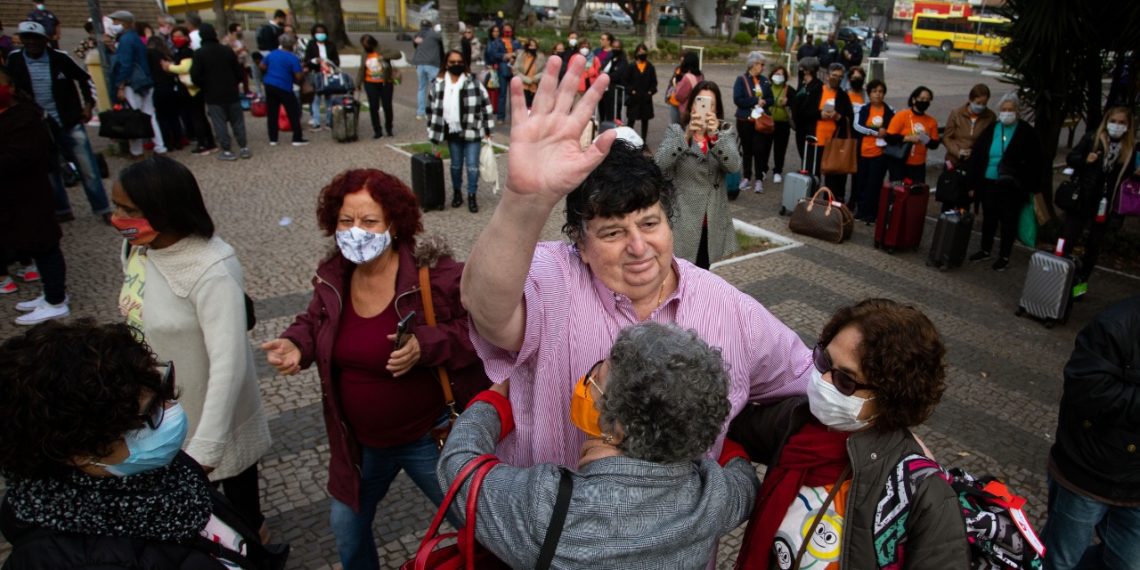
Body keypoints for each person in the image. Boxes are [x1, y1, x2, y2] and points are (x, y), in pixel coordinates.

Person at [460, 56, 813, 471]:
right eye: (612, 233)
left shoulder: (731, 309)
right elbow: (487, 309)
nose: (639, 247)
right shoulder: (551, 276)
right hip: (553, 511)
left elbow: (809, 381)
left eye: (650, 223)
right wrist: (524, 202)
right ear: (579, 242)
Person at [261, 168, 485, 570]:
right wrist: (297, 343)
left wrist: (424, 345)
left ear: (394, 224)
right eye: (346, 220)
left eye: (368, 221)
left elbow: (480, 331)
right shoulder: (334, 275)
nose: (355, 232)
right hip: (360, 446)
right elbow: (316, 320)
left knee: (477, 528)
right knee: (346, 528)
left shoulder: (433, 275)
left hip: (427, 437)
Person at [438, 322, 760, 568]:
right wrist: (711, 433)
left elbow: (459, 468)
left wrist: (493, 403)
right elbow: (744, 477)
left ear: (618, 427)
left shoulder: (548, 506)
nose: (586, 381)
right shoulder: (713, 498)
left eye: (597, 378)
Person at [0, 320, 282, 568]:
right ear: (77, 453)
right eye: (150, 413)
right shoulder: (83, 561)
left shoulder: (153, 471)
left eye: (163, 392)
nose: (171, 410)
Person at [729, 298, 968, 569]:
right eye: (824, 361)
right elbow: (729, 425)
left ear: (890, 397)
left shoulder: (924, 494)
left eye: (845, 380)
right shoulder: (796, 422)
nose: (823, 380)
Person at [108, 155, 272, 539]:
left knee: (238, 513)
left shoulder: (212, 267)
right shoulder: (137, 250)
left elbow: (229, 364)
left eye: (129, 210)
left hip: (211, 412)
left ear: (165, 208)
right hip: (163, 408)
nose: (117, 218)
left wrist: (206, 449)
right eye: (116, 207)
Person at [1043, 295, 1140, 570]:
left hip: (1136, 486)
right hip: (1086, 476)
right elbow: (1086, 390)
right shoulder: (1114, 324)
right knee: (1059, 561)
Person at [8, 20, 112, 223]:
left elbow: (84, 79)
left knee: (88, 167)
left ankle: (102, 207)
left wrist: (88, 105)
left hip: (68, 120)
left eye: (36, 38)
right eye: (27, 38)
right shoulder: (15, 60)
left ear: (45, 40)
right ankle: (62, 209)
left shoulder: (60, 58)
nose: (31, 43)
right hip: (38, 124)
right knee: (51, 170)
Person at [0, 65, 69, 325]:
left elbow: (21, 157)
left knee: (45, 244)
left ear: (11, 87)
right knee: (37, 246)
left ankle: (56, 300)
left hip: (30, 194)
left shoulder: (25, 117)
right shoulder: (13, 115)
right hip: (15, 196)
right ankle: (51, 293)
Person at [657, 81, 742, 267]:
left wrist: (714, 137)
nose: (705, 108)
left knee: (702, 272)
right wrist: (686, 136)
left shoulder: (724, 134)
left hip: (711, 221)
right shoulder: (676, 131)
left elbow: (734, 166)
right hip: (682, 220)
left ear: (716, 109)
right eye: (700, 101)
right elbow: (659, 164)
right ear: (691, 105)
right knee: (675, 272)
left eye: (711, 104)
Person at [1061, 106, 1139, 284]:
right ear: (1106, 122)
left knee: (1093, 246)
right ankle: (1058, 277)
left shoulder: (1130, 150)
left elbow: (1126, 180)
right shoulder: (1092, 138)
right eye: (1113, 121)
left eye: (1122, 122)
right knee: (1067, 239)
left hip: (1105, 204)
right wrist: (1085, 160)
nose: (1117, 125)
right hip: (1082, 198)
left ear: (1128, 126)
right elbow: (1072, 158)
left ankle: (1080, 284)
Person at [965, 92, 1041, 272]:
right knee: (989, 217)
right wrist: (972, 183)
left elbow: (1035, 161)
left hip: (1012, 185)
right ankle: (985, 249)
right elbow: (977, 155)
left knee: (1009, 220)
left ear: (1017, 111)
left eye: (1010, 109)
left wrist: (1029, 184)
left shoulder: (1026, 131)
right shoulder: (992, 128)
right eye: (1004, 109)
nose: (1007, 113)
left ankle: (1004, 255)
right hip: (989, 181)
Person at [426, 49, 494, 213]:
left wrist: (488, 129)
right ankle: (457, 193)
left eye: (459, 62)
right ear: (446, 64)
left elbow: (486, 105)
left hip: (472, 131)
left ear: (464, 64)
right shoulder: (438, 85)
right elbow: (431, 109)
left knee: (472, 166)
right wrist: (432, 130)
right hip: (452, 132)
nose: (456, 64)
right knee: (456, 166)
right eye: (452, 62)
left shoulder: (474, 83)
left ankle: (472, 195)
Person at [108, 10, 167, 157]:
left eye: (116, 22)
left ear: (124, 23)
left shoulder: (126, 39)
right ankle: (160, 146)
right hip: (144, 80)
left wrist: (121, 85)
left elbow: (125, 63)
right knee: (149, 115)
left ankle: (137, 150)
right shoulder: (134, 38)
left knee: (134, 117)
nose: (113, 24)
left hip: (133, 83)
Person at [191, 24, 249, 161]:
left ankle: (227, 150)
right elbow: (238, 72)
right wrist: (234, 83)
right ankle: (243, 147)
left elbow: (195, 76)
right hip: (231, 91)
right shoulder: (227, 51)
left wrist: (205, 86)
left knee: (219, 123)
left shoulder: (199, 53)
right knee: (237, 121)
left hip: (213, 94)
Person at [796, 62, 854, 199]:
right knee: (811, 178)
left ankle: (829, 205)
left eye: (840, 76)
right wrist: (819, 114)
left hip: (833, 145)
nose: (837, 79)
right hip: (814, 142)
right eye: (834, 75)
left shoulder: (843, 96)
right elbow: (802, 114)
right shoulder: (816, 91)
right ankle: (808, 203)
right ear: (827, 75)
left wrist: (838, 117)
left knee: (833, 182)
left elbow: (849, 119)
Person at [942, 84, 996, 210]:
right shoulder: (957, 113)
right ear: (971, 100)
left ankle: (962, 220)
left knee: (965, 200)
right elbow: (947, 138)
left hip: (973, 164)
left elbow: (989, 140)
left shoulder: (990, 116)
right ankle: (945, 219)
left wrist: (975, 153)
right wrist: (958, 152)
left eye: (984, 103)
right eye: (978, 103)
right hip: (954, 161)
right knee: (948, 197)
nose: (981, 106)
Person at [166, 26, 217, 155]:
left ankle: (202, 143)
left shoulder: (186, 52)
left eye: (179, 36)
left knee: (197, 117)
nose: (177, 39)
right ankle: (209, 142)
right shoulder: (186, 51)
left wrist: (169, 67)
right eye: (174, 36)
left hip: (190, 89)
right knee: (200, 116)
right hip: (193, 88)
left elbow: (185, 68)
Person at [852, 79, 895, 223]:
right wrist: (876, 132)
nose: (877, 94)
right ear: (869, 93)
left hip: (880, 154)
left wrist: (886, 133)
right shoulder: (862, 108)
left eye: (881, 91)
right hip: (863, 151)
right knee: (861, 182)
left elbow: (894, 129)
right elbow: (857, 126)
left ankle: (871, 213)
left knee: (875, 184)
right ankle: (861, 211)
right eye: (874, 91)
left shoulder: (890, 111)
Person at [732, 51, 774, 195]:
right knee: (747, 150)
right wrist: (756, 100)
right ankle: (746, 177)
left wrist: (764, 102)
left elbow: (771, 99)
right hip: (745, 120)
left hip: (760, 121)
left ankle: (759, 179)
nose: (763, 67)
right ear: (753, 64)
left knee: (760, 150)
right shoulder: (741, 80)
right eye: (761, 64)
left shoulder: (765, 81)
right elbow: (738, 100)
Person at [259, 33, 308, 146]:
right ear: (293, 44)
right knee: (293, 112)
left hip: (270, 84)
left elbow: (262, 66)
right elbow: (298, 77)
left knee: (272, 112)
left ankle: (273, 139)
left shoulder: (272, 54)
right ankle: (297, 138)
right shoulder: (292, 58)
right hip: (284, 85)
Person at [885, 85, 940, 184]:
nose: (924, 102)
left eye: (927, 100)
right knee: (899, 191)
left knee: (917, 191)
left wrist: (925, 139)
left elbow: (935, 144)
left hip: (919, 165)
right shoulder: (902, 115)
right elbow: (889, 137)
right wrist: (907, 138)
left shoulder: (932, 121)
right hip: (899, 163)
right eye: (922, 99)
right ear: (914, 100)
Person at [356, 34, 399, 139]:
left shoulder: (382, 48)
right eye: (364, 46)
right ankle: (377, 131)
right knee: (373, 107)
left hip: (385, 82)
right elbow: (362, 68)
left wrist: (384, 56)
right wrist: (358, 83)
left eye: (367, 45)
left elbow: (397, 54)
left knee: (387, 106)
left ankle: (389, 128)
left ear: (372, 44)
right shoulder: (364, 53)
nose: (366, 47)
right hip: (370, 83)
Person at [146, 36, 183, 152]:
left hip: (158, 88)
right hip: (171, 88)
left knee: (162, 118)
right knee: (174, 116)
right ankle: (178, 140)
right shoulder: (167, 55)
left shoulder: (149, 55)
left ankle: (167, 142)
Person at [304, 23, 339, 131]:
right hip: (316, 74)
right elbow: (306, 60)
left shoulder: (331, 45)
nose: (320, 34)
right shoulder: (311, 45)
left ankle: (329, 121)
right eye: (318, 32)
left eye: (322, 32)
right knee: (316, 99)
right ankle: (316, 122)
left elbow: (337, 61)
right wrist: (315, 60)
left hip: (328, 74)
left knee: (329, 99)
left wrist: (329, 63)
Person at [485, 22, 520, 121]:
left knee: (515, 94)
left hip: (515, 69)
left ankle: (515, 117)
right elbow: (493, 54)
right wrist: (505, 56)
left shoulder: (516, 41)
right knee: (502, 93)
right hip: (502, 69)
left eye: (509, 28)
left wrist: (514, 56)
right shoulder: (497, 42)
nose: (507, 30)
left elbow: (521, 52)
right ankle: (501, 117)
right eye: (505, 29)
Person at [623, 43, 657, 142]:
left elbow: (654, 82)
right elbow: (625, 81)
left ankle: (643, 140)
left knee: (645, 120)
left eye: (643, 51)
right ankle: (628, 140)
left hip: (646, 98)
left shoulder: (650, 66)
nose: (642, 54)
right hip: (634, 98)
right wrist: (631, 91)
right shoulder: (631, 66)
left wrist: (650, 92)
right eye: (640, 51)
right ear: (636, 53)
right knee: (631, 119)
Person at [412, 19, 442, 120]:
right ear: (430, 26)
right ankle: (434, 110)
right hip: (432, 64)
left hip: (419, 64)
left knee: (421, 88)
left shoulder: (417, 35)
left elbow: (415, 45)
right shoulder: (434, 34)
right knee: (435, 87)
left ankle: (420, 112)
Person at [598, 38, 627, 123]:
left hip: (615, 92)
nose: (615, 49)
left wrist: (605, 75)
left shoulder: (623, 60)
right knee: (603, 110)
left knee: (614, 113)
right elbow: (602, 68)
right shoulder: (610, 57)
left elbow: (617, 75)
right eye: (614, 47)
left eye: (617, 47)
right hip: (605, 90)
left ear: (621, 48)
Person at [669, 51, 702, 125]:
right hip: (695, 107)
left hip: (684, 109)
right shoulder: (700, 76)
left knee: (677, 128)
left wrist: (675, 85)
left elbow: (679, 96)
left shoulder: (687, 77)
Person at [512, 36, 544, 108]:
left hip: (535, 86)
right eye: (531, 46)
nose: (533, 48)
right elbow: (515, 70)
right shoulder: (521, 56)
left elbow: (544, 71)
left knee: (533, 107)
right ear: (527, 46)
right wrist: (525, 79)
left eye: (534, 46)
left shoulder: (540, 57)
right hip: (523, 86)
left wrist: (536, 78)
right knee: (522, 106)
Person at [222, 23, 250, 95]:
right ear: (233, 32)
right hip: (233, 65)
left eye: (241, 30)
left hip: (242, 63)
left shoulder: (240, 39)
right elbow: (227, 53)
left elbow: (246, 49)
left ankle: (247, 93)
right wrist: (240, 50)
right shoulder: (227, 40)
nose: (240, 32)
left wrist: (245, 50)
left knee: (245, 79)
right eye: (239, 31)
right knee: (235, 81)